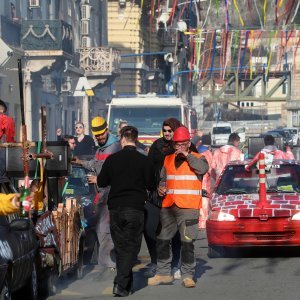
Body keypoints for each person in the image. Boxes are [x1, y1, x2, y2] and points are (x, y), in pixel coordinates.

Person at [97, 125, 155, 297]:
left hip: (115, 208)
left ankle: (124, 284)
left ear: (122, 139)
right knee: (131, 247)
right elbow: (151, 185)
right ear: (136, 140)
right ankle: (121, 284)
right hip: (135, 208)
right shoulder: (144, 160)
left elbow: (101, 181)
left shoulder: (112, 159)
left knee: (122, 246)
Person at [148, 126, 208, 288]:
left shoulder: (198, 158)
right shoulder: (167, 159)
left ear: (189, 143)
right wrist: (161, 187)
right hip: (168, 205)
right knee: (162, 240)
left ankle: (187, 275)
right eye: (176, 144)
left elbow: (203, 169)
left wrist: (187, 155)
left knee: (187, 242)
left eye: (182, 144)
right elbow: (163, 178)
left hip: (188, 207)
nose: (179, 147)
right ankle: (163, 273)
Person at [146, 117, 192, 279]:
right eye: (164, 130)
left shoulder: (186, 146)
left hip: (178, 194)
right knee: (151, 229)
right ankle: (155, 262)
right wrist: (154, 186)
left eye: (170, 131)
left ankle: (175, 264)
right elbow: (149, 168)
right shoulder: (157, 146)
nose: (166, 133)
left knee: (178, 233)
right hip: (156, 195)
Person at [72, 116, 120, 270]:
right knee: (99, 227)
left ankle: (107, 262)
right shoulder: (101, 147)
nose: (99, 137)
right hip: (101, 194)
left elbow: (112, 172)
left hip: (110, 194)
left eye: (101, 134)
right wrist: (81, 162)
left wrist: (98, 179)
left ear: (107, 130)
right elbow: (95, 163)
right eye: (97, 135)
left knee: (104, 228)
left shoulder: (113, 147)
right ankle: (104, 261)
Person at [197, 134, 213, 229]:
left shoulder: (196, 150)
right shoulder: (207, 153)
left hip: (195, 182)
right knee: (204, 202)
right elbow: (211, 169)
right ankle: (203, 223)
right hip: (205, 182)